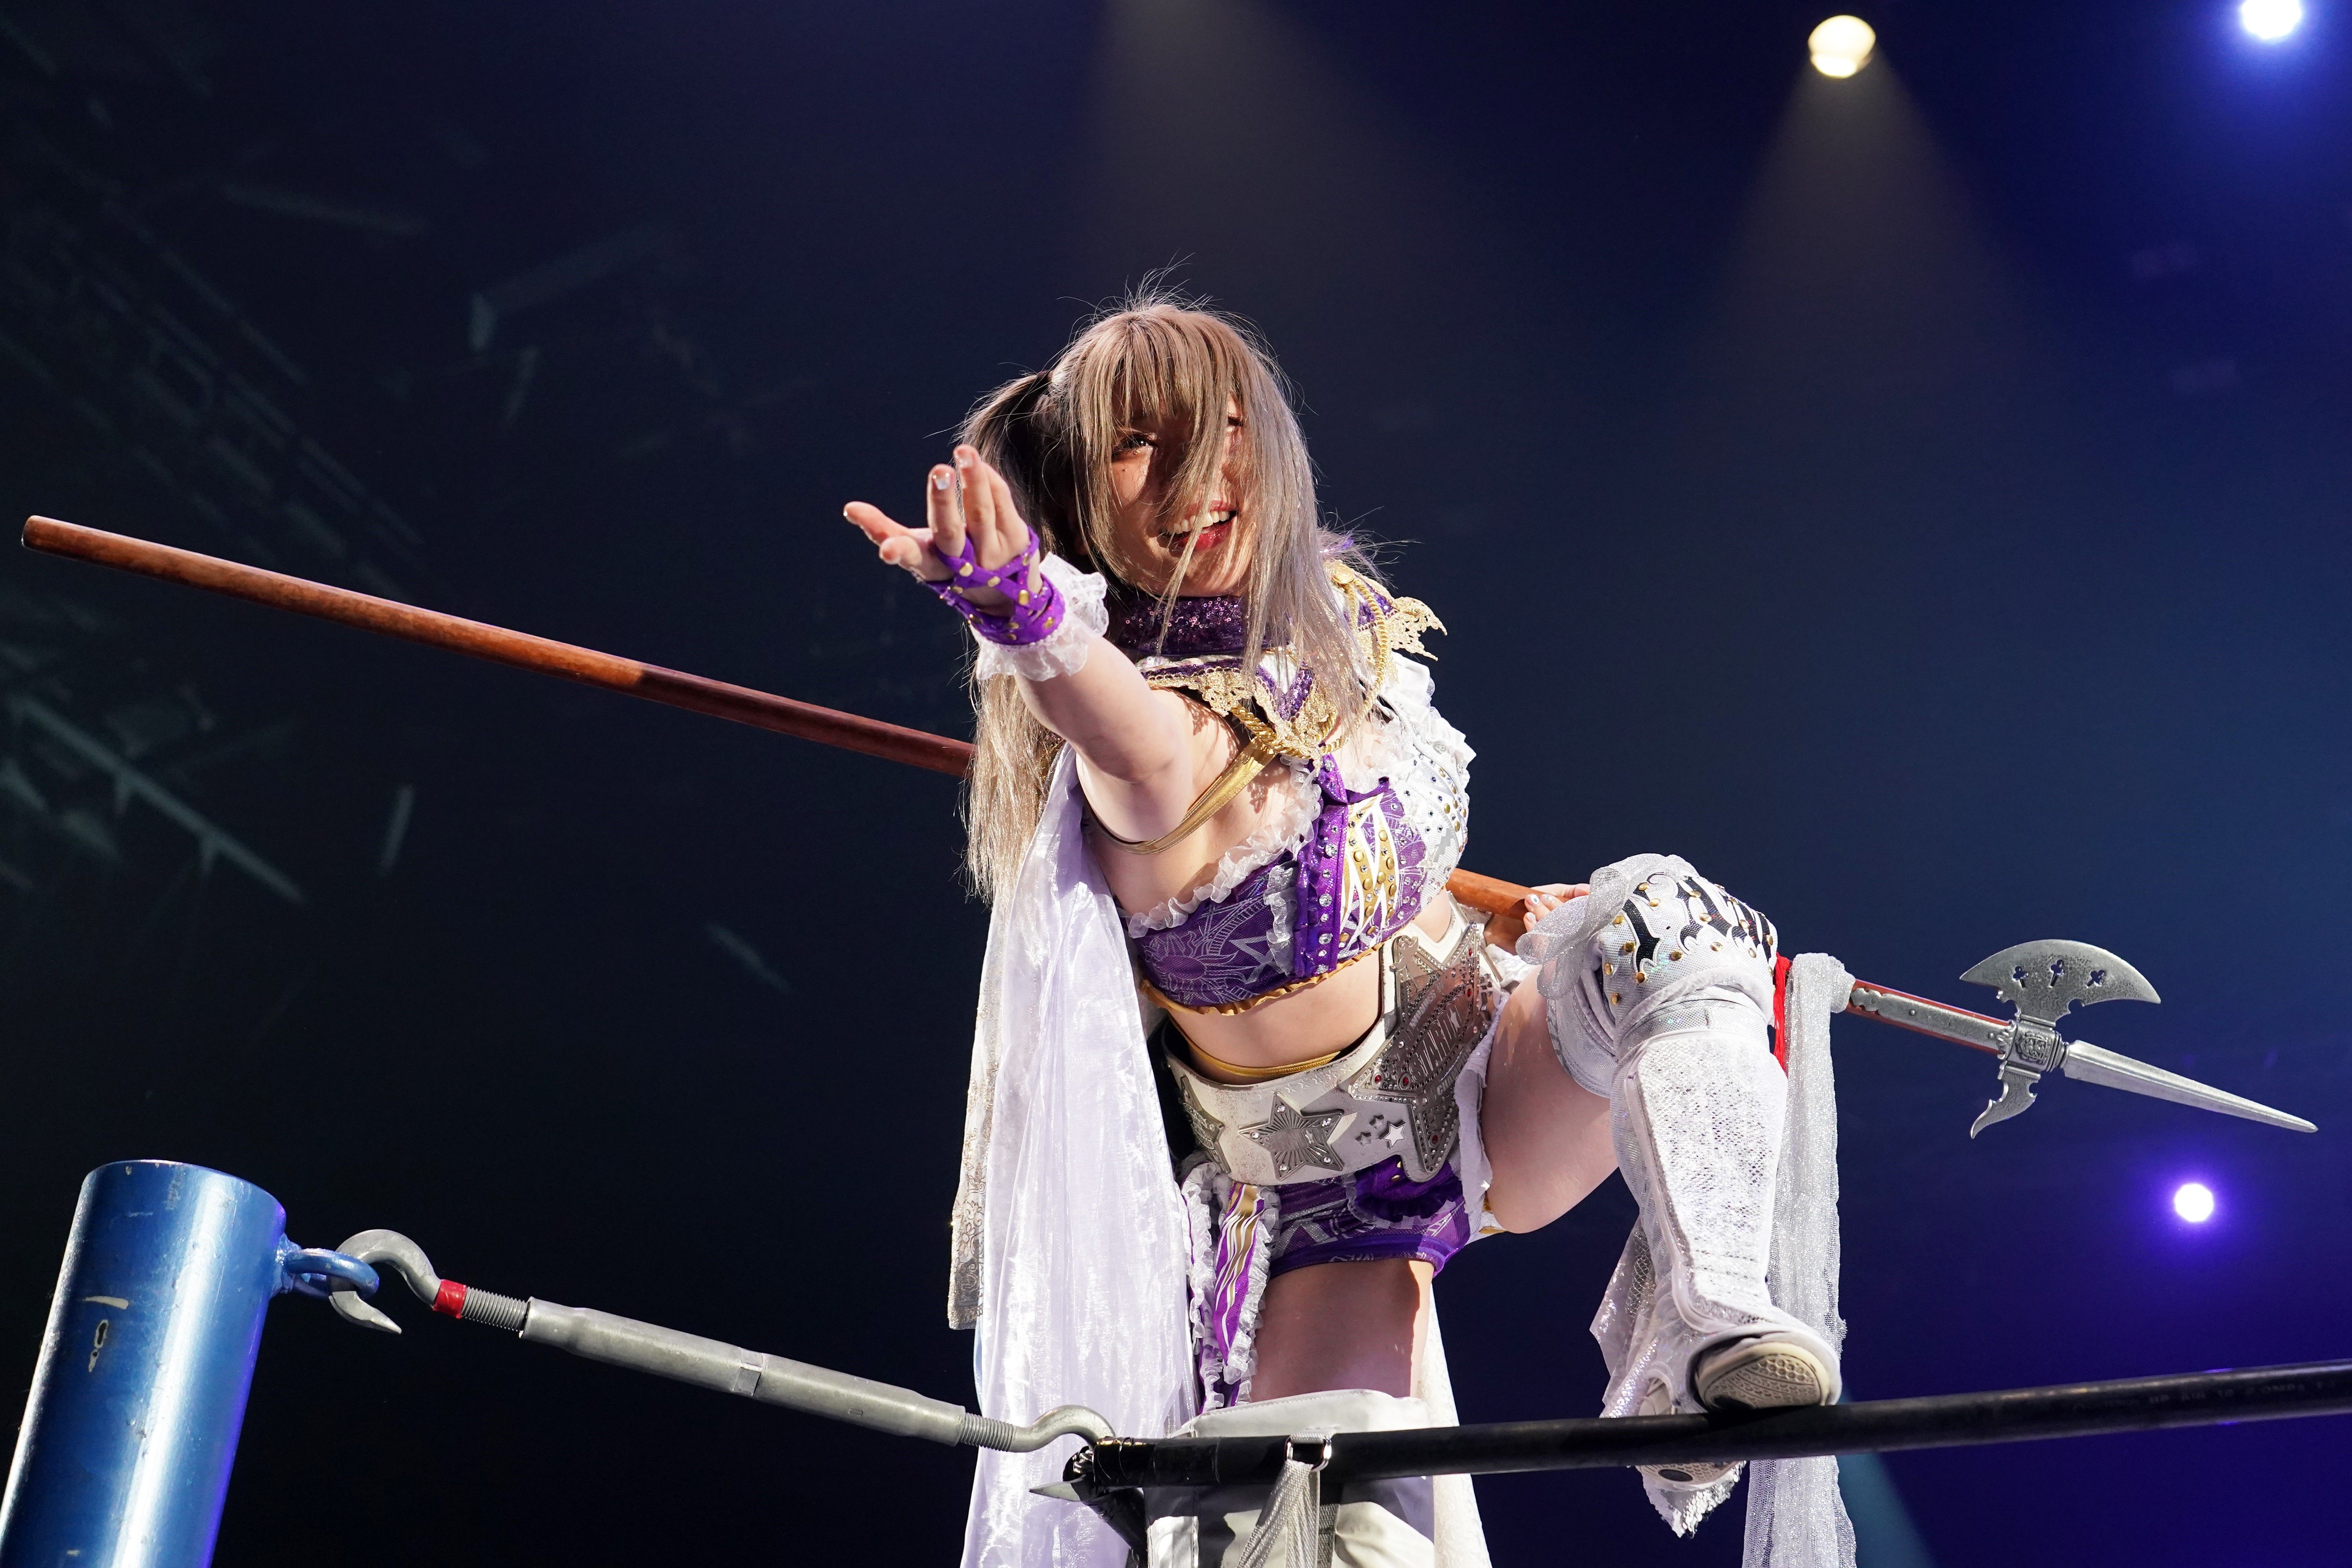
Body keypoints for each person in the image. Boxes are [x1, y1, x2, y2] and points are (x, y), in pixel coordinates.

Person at [844, 295, 1842, 1568]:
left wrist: (1533, 935)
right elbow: (1112, 724)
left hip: (1487, 1083)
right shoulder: (1157, 749)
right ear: (1079, 501)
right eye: (1137, 447)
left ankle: (1710, 1340)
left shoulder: (1330, 634)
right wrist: (1023, 614)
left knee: (1670, 922)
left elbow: (1369, 866)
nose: (1200, 476)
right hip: (1328, 1205)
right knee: (1336, 1532)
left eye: (1225, 428)